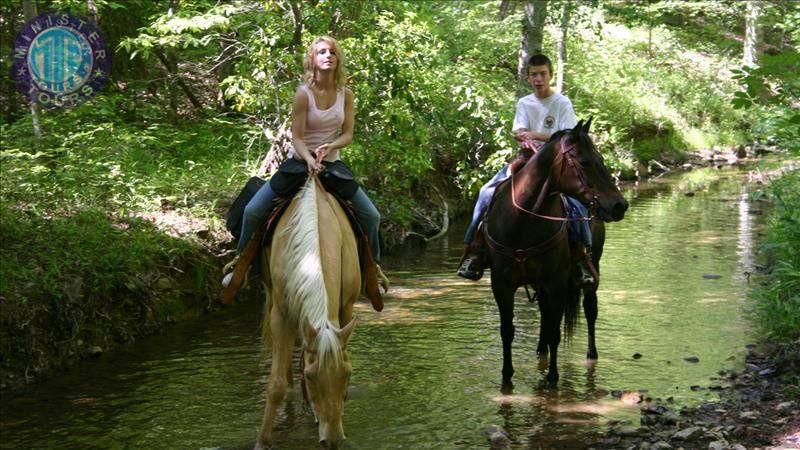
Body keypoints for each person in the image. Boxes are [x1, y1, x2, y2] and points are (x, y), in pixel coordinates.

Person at [223, 36, 388, 290]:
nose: (328, 56)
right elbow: (297, 137)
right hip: (299, 163)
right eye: (321, 52)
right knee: (253, 210)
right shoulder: (303, 95)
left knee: (372, 215)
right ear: (313, 58)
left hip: (331, 166)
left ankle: (372, 268)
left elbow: (347, 134)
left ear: (338, 59)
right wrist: (309, 158)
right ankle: (240, 264)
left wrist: (331, 146)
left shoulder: (347, 95)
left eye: (332, 52)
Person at [457, 54, 594, 285]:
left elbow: (568, 137)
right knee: (487, 192)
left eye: (542, 74)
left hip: (556, 164)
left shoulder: (562, 103)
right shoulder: (524, 103)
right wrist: (525, 138)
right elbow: (518, 131)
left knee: (577, 201)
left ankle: (581, 255)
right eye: (533, 75)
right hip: (526, 159)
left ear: (550, 75)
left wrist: (536, 136)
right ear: (528, 77)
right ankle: (474, 250)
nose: (538, 79)